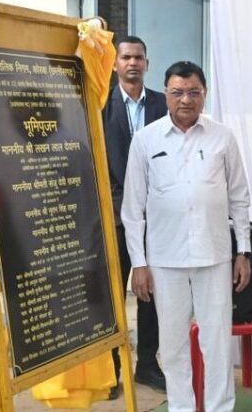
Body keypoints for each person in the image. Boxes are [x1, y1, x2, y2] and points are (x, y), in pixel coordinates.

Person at [121, 61, 252, 412]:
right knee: (173, 345)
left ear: (204, 94)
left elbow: (239, 198)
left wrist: (243, 251)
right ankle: (181, 407)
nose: (186, 99)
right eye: (177, 92)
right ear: (166, 94)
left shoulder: (223, 137)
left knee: (217, 343)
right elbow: (132, 209)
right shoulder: (145, 140)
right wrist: (139, 264)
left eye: (194, 92)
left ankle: (220, 407)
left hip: (214, 256)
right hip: (165, 260)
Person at [101, 35, 167, 394]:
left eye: (138, 57)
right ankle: (112, 369)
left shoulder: (163, 104)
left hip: (157, 217)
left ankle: (147, 365)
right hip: (114, 217)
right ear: (115, 64)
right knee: (112, 294)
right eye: (125, 57)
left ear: (147, 64)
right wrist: (124, 207)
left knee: (150, 293)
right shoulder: (100, 106)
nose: (132, 63)